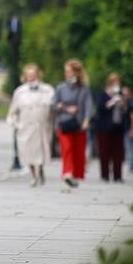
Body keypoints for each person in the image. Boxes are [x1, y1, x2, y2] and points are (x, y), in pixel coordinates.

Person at [7, 63, 56, 186]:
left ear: (38, 75)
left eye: (33, 75)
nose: (31, 78)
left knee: (41, 153)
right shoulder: (20, 92)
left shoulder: (48, 90)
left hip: (42, 128)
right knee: (28, 153)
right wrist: (16, 125)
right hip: (26, 128)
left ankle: (41, 170)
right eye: (29, 75)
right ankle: (33, 176)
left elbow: (53, 110)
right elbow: (12, 112)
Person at [54, 59, 92, 187]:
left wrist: (86, 120)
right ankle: (67, 173)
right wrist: (65, 108)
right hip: (64, 123)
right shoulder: (60, 87)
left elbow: (88, 106)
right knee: (67, 149)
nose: (67, 74)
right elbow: (53, 105)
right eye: (66, 72)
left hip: (79, 124)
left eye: (69, 72)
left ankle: (75, 176)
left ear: (76, 73)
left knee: (78, 151)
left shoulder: (84, 89)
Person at [93, 72, 129, 182]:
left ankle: (118, 176)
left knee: (118, 153)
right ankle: (105, 175)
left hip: (118, 127)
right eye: (114, 82)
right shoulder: (102, 95)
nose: (116, 84)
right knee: (104, 152)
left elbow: (126, 110)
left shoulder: (121, 95)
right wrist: (112, 101)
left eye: (118, 82)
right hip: (104, 128)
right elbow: (100, 107)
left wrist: (123, 102)